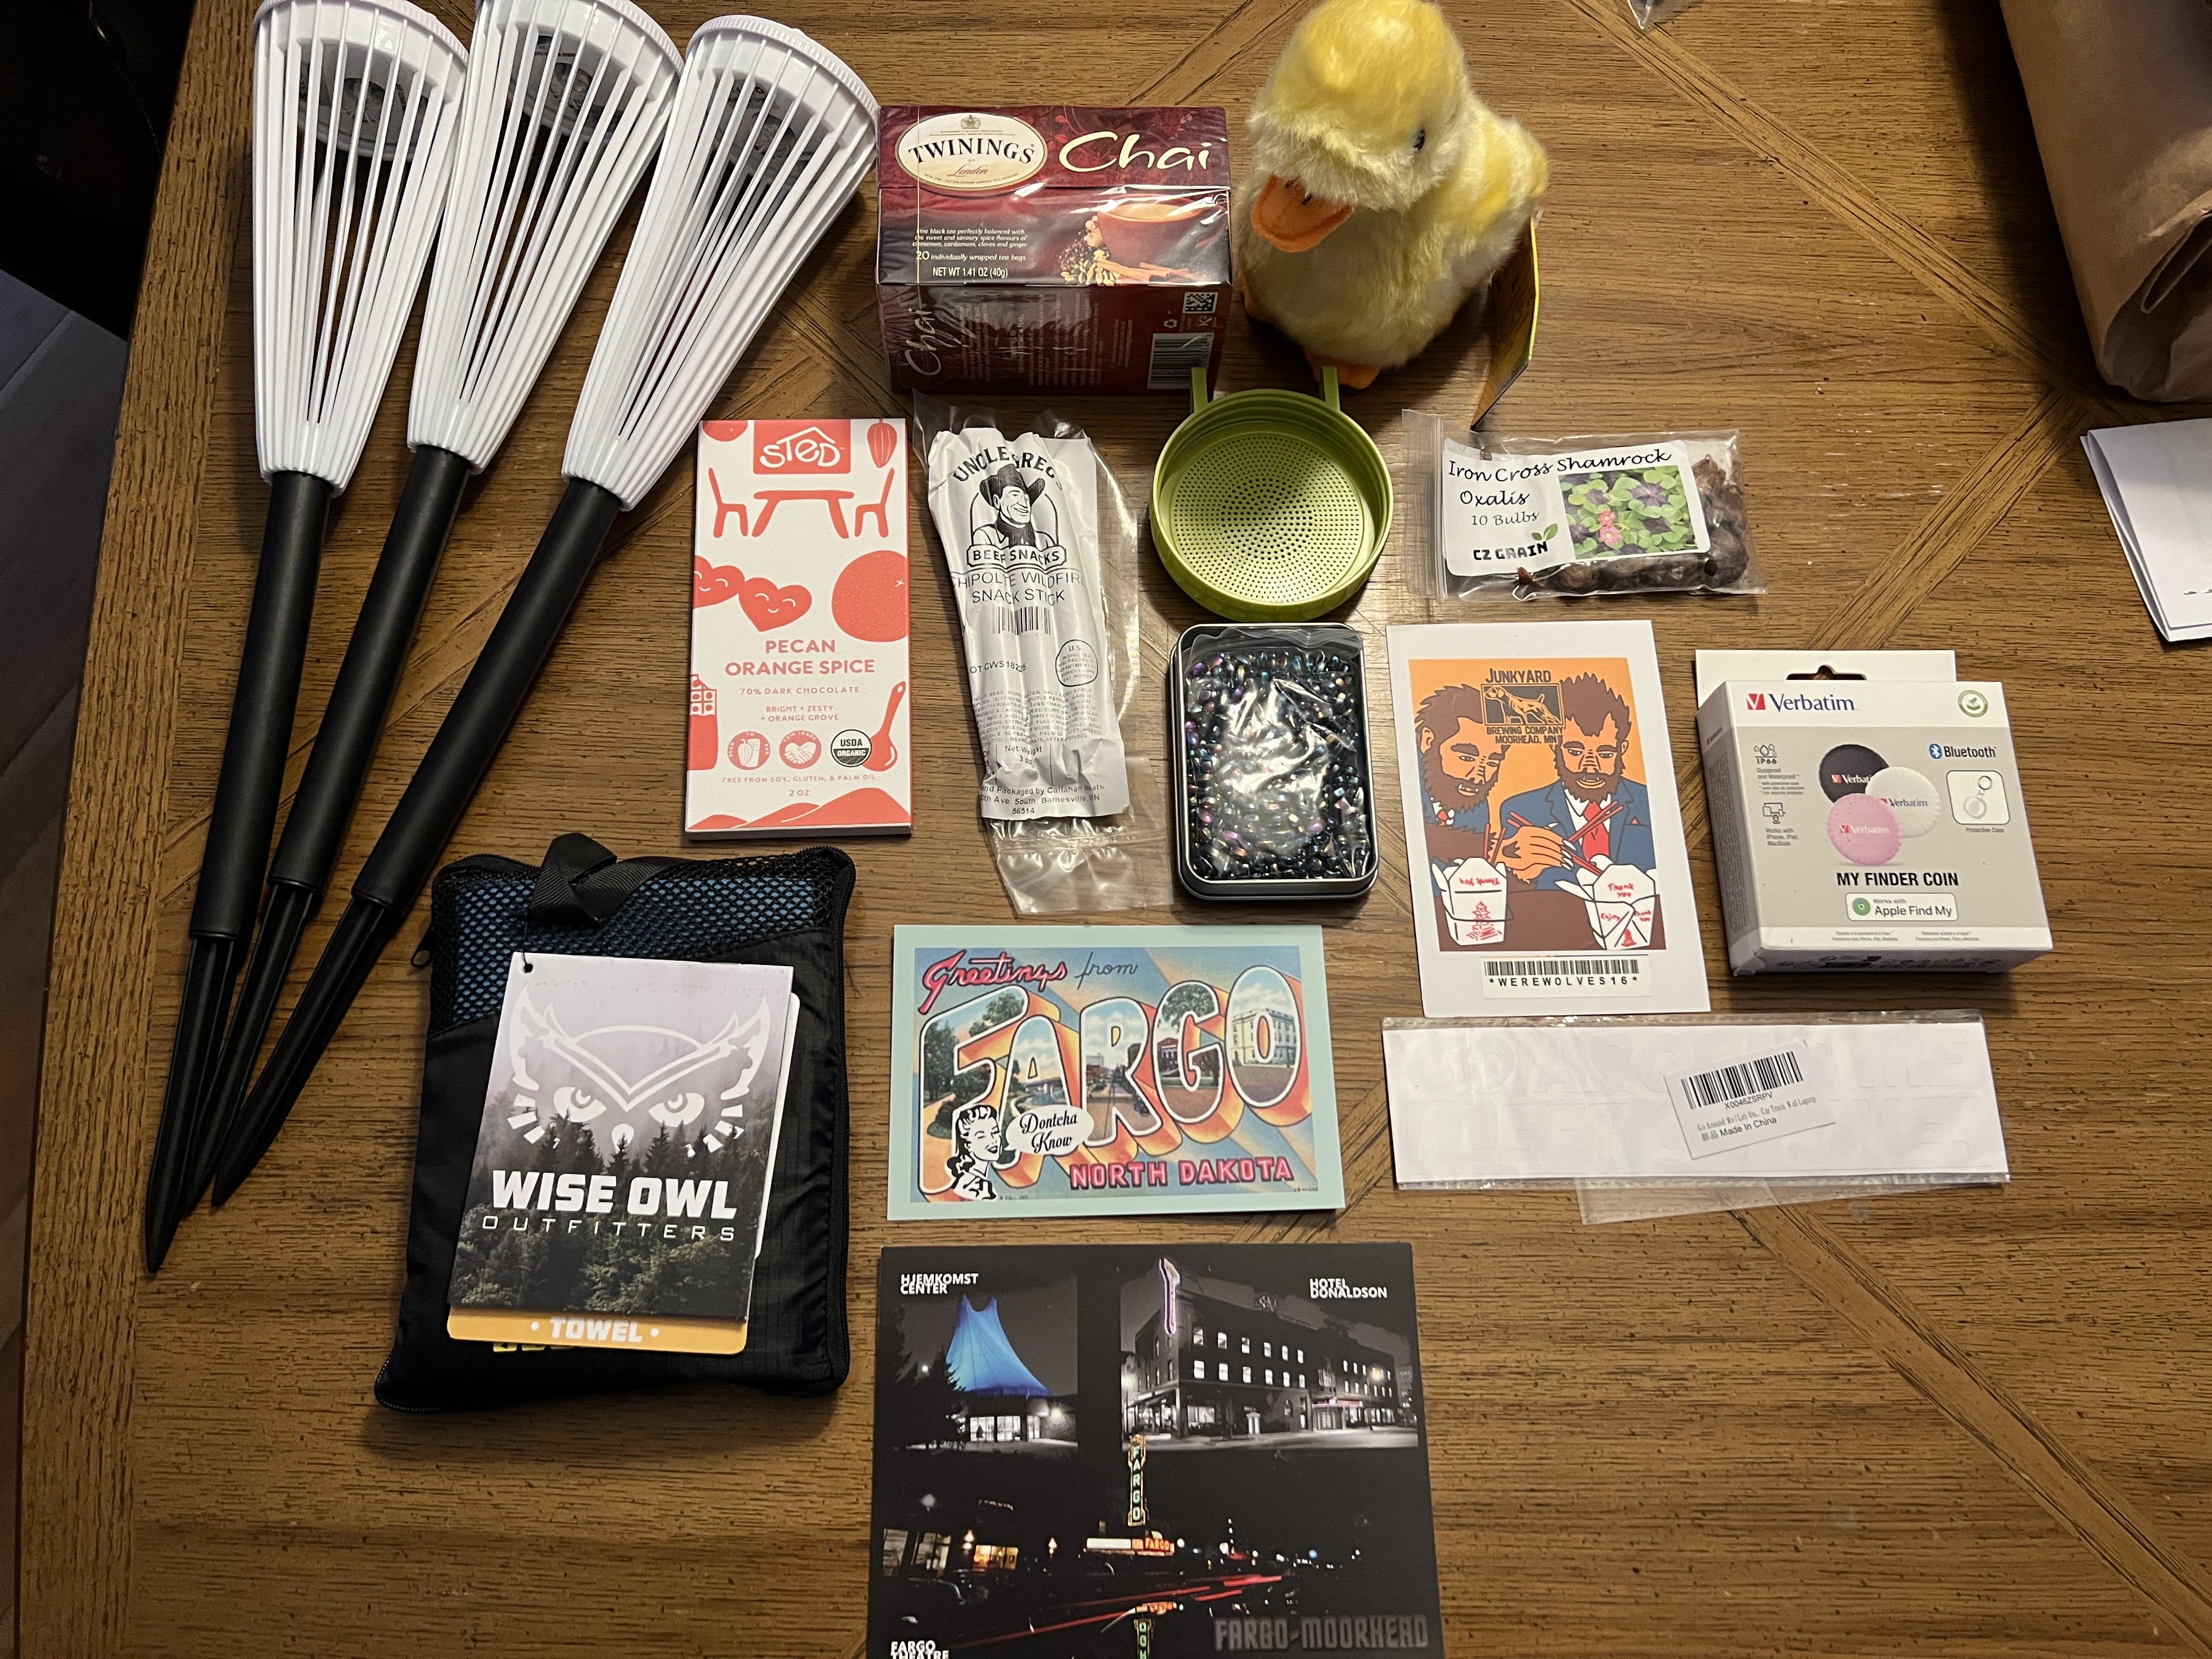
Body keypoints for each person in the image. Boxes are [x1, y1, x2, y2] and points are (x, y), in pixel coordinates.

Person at [1496, 672, 1655, 890]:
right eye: (1575, 752)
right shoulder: (1520, 811)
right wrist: (1507, 859)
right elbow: (1518, 889)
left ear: (1622, 749)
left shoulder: (1648, 801)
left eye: (1605, 754)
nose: (1590, 767)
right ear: (1555, 745)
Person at [944, 1098, 1005, 1203]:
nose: (993, 1140)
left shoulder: (987, 1181)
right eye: (982, 1137)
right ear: (968, 1145)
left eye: (995, 1132)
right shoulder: (971, 1186)